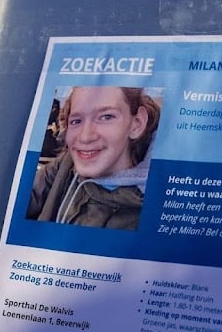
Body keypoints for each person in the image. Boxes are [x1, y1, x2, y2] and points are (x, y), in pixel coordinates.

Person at [27, 85, 160, 230]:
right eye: (76, 121)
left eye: (106, 117)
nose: (85, 137)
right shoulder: (65, 164)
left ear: (137, 123)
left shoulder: (157, 210)